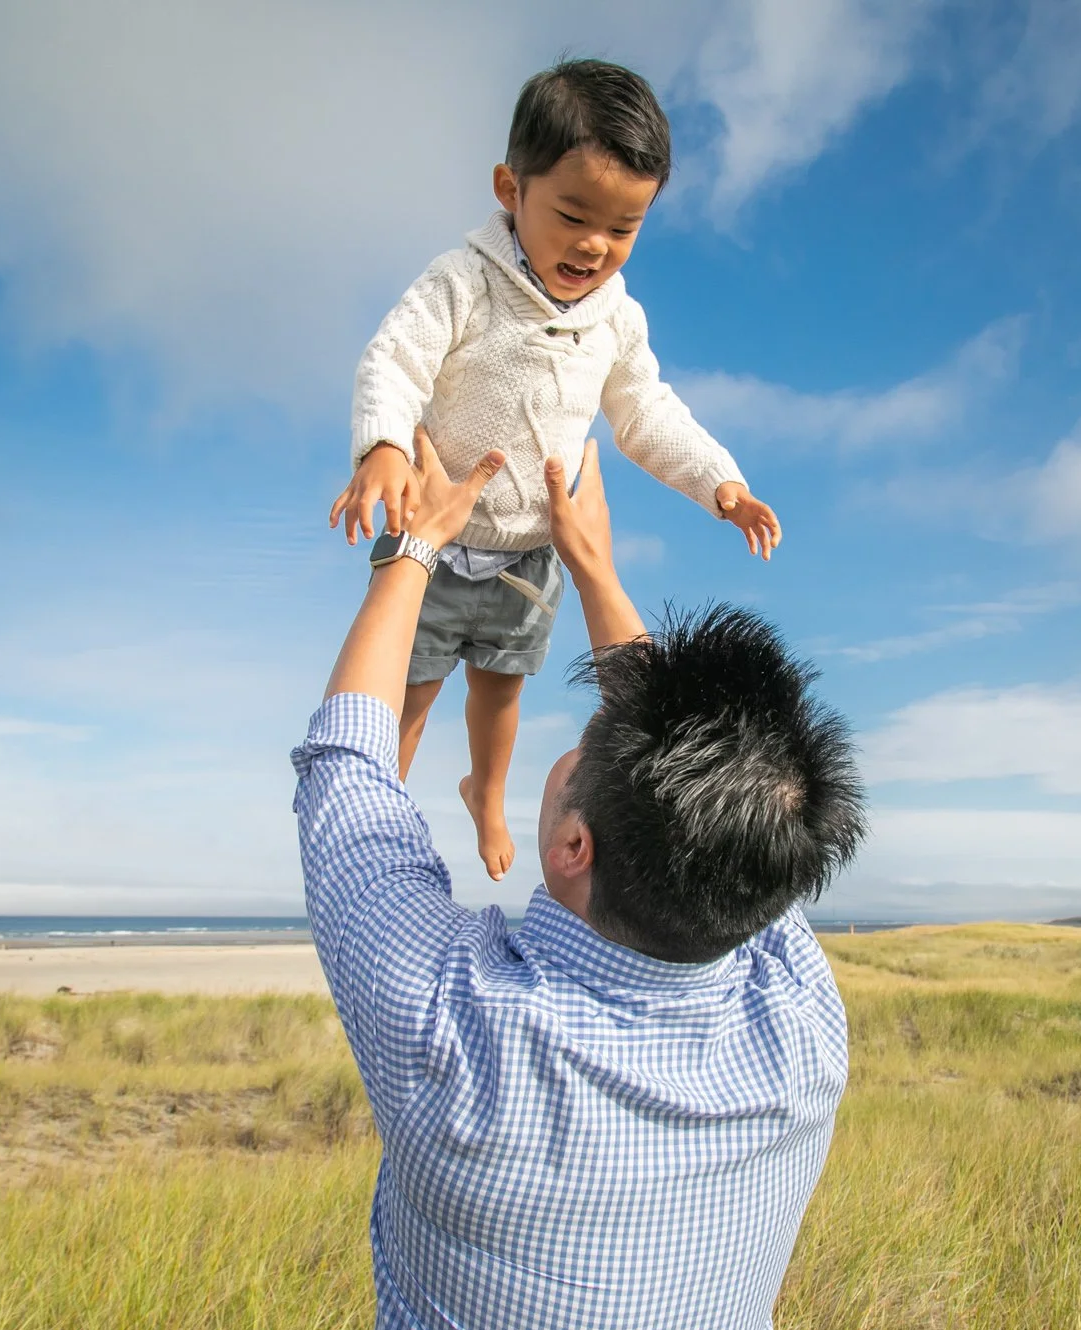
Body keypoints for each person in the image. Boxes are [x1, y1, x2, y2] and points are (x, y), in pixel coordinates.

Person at [292, 436, 867, 1330]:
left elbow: (346, 773)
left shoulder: (457, 1038)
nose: (590, 730)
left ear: (571, 846)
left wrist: (415, 549)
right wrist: (592, 568)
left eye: (592, 740)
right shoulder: (802, 1027)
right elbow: (733, 809)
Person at [328, 58, 782, 884]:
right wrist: (386, 446)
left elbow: (647, 413)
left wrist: (721, 482)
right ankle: (374, 820)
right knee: (413, 697)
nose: (595, 245)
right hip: (437, 537)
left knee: (499, 695)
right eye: (573, 215)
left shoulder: (617, 319)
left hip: (529, 554)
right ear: (511, 188)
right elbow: (394, 360)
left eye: (624, 227)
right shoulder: (464, 281)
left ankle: (487, 794)